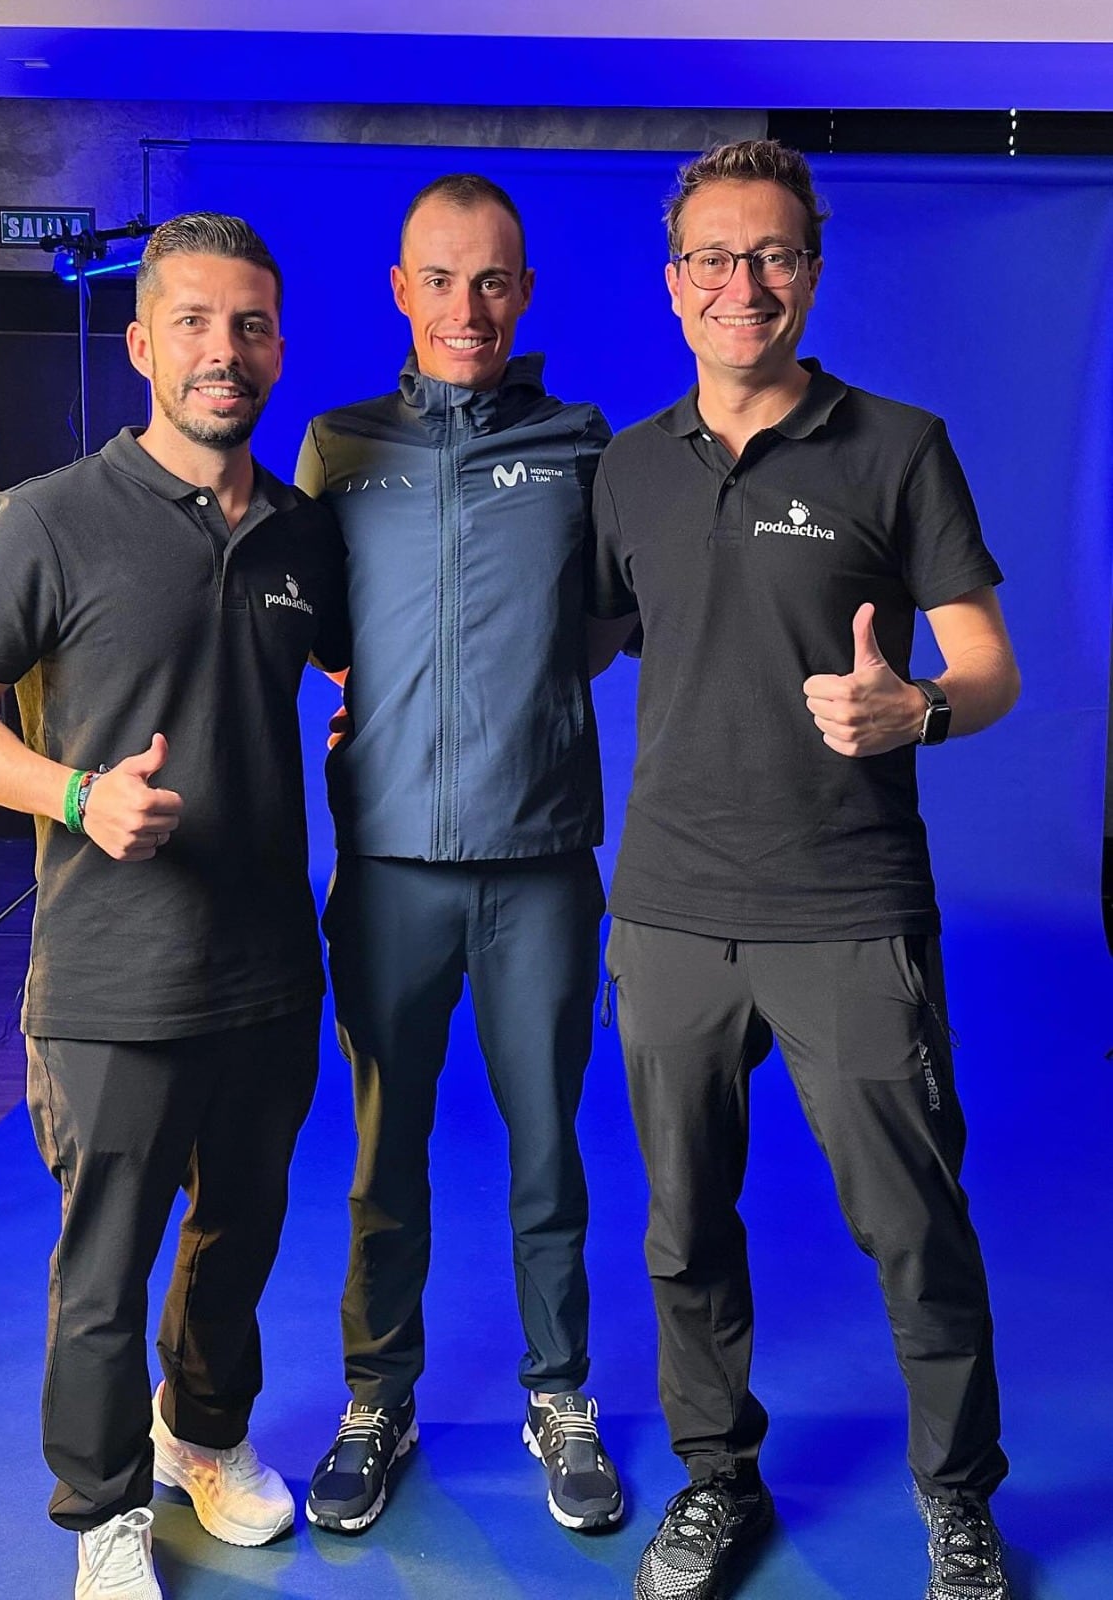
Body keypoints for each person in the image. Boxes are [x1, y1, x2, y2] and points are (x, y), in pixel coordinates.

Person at [590, 140, 1020, 1600]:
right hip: (665, 913)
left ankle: (959, 1501)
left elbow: (990, 665)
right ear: (674, 283)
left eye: (771, 255)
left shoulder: (897, 445)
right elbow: (581, 639)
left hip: (847, 908)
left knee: (913, 1226)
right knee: (682, 1228)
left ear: (812, 272)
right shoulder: (630, 470)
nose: (742, 284)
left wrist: (922, 708)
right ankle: (719, 1482)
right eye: (713, 257)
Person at [0, 213, 349, 1600]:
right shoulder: (50, 518)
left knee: (241, 1236)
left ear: (277, 345)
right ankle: (102, 1506)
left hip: (271, 964)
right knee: (105, 1266)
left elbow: (345, 675)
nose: (227, 351)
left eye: (253, 325)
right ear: (144, 341)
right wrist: (74, 792)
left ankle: (199, 1436)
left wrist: (362, 726)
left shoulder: (298, 534)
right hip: (112, 975)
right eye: (199, 324)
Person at [294, 173, 624, 1536]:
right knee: (387, 1150)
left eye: (493, 281)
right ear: (400, 290)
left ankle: (562, 1397)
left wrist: (517, 705)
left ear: (525, 293)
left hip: (539, 863)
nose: (467, 307)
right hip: (386, 872)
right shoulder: (338, 444)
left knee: (548, 1149)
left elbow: (609, 621)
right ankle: (379, 1398)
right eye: (441, 279)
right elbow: (314, 631)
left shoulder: (582, 443)